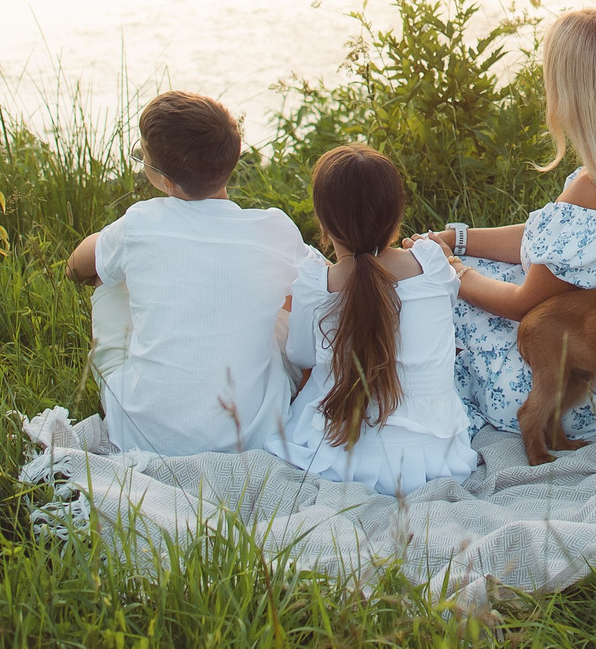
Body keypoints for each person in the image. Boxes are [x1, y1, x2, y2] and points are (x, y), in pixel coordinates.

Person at [423, 7, 596, 440]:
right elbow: (542, 245)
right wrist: (460, 239)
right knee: (474, 277)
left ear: (573, 98)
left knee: (431, 298)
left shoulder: (590, 190)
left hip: (564, 384)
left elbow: (520, 303)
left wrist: (449, 270)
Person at [63, 91, 315, 458]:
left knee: (108, 279)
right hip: (252, 436)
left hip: (139, 432)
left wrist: (113, 249)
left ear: (167, 182)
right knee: (291, 297)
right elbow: (327, 282)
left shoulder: (139, 224)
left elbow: (76, 266)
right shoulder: (274, 230)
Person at [279, 144, 479, 493]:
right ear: (397, 215)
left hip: (338, 460)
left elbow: (300, 357)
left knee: (314, 377)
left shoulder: (316, 282)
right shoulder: (431, 262)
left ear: (323, 222)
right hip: (438, 459)